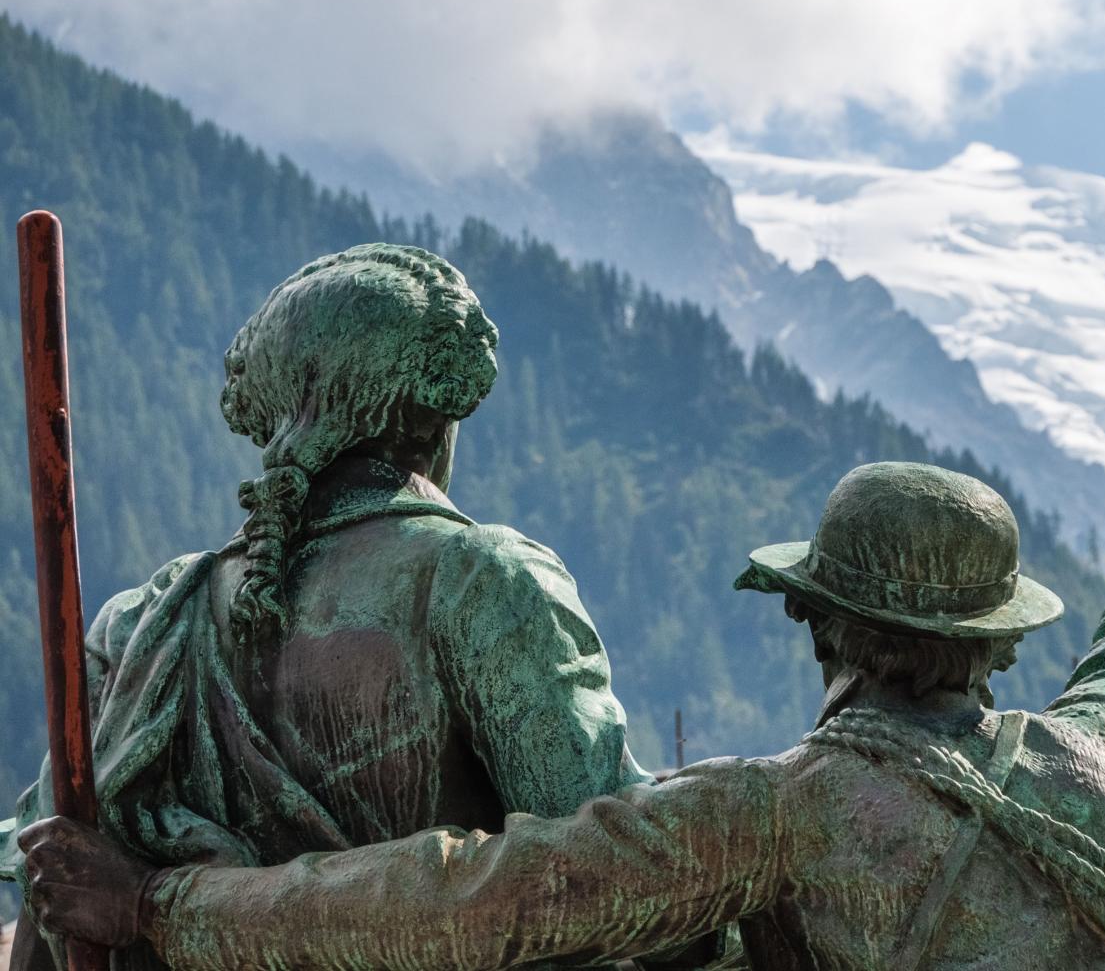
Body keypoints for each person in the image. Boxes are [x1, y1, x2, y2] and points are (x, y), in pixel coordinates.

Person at [21, 424, 1105, 970]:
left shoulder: (775, 818)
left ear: (817, 624)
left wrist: (162, 910)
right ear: (997, 641)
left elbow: (458, 902)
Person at [1, 245, 674, 970]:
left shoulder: (144, 622)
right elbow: (617, 871)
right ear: (431, 418)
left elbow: (49, 863)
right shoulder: (482, 580)